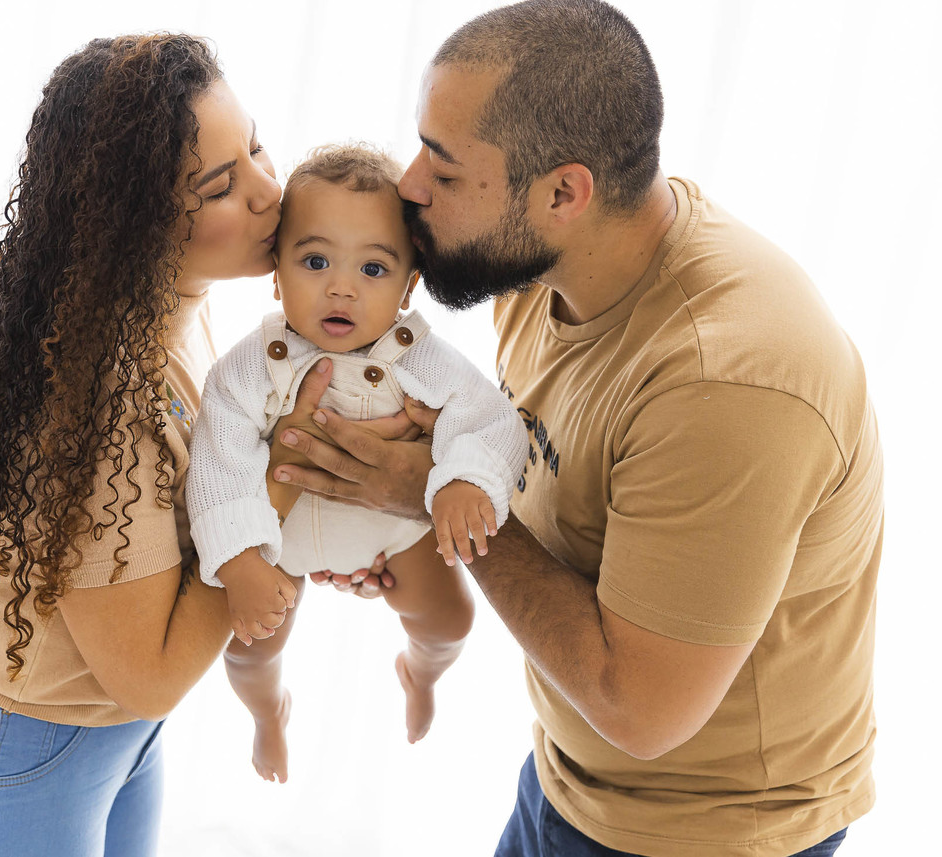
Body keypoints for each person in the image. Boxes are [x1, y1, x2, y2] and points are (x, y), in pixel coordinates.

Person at [271, 2, 882, 856]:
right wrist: (400, 509)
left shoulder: (725, 383)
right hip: (567, 778)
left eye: (444, 169)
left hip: (700, 833)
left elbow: (640, 710)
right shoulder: (550, 269)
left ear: (564, 192)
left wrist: (439, 500)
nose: (408, 185)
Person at [0, 34, 284, 856]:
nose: (271, 190)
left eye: (257, 147)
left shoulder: (174, 305)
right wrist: (285, 492)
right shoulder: (95, 398)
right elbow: (151, 672)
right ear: (135, 223)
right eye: (222, 186)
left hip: (111, 739)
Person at [186, 143, 528, 782]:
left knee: (451, 621)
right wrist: (238, 560)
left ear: (408, 285)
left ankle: (421, 673)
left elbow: (485, 417)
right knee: (247, 649)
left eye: (373, 268)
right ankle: (267, 711)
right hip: (277, 537)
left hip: (395, 527)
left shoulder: (417, 357)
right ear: (276, 273)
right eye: (315, 261)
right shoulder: (251, 366)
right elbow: (217, 457)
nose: (341, 287)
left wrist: (463, 480)